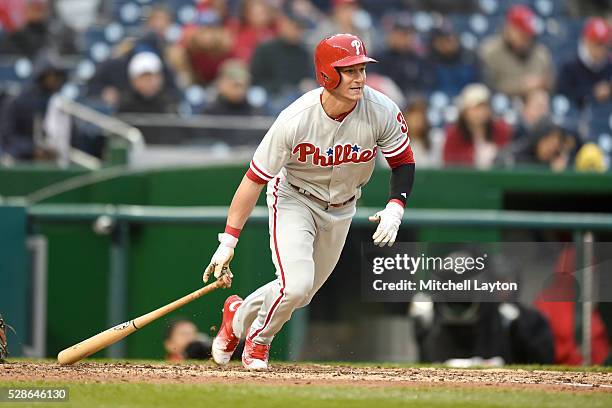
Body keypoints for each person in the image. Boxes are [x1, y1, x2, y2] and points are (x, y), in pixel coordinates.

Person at [202, 34, 415, 370]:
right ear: (327, 74)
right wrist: (228, 240)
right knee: (296, 286)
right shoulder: (295, 118)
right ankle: (258, 342)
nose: (359, 78)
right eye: (349, 70)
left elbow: (403, 161)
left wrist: (395, 205)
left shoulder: (382, 109)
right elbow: (254, 179)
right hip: (295, 199)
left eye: (361, 68)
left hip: (343, 207)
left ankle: (236, 317)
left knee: (300, 293)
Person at [0, 51, 68, 161]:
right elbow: (8, 137)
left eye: (57, 75)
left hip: (55, 159)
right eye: (51, 75)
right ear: (42, 75)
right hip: (21, 161)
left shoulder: (59, 103)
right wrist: (33, 150)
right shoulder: (16, 102)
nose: (55, 79)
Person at [479, 5, 554, 97]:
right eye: (522, 34)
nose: (526, 39)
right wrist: (522, 86)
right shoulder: (490, 51)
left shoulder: (541, 53)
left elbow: (552, 83)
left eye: (528, 34)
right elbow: (489, 88)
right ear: (509, 29)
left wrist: (543, 83)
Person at [443, 83, 512, 169]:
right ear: (465, 112)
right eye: (476, 108)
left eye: (484, 107)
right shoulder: (454, 136)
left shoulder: (501, 131)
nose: (480, 112)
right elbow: (450, 167)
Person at [250, 10, 314, 98]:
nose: (297, 32)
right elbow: (256, 78)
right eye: (294, 27)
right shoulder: (266, 49)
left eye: (300, 28)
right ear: (284, 26)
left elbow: (308, 77)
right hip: (270, 94)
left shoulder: (304, 53)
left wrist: (307, 84)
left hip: (296, 95)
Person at [370, 13, 434, 100]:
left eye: (408, 34)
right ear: (392, 34)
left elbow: (426, 84)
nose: (405, 38)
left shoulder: (418, 59)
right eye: (401, 34)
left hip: (414, 105)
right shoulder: (379, 57)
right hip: (388, 103)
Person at [557, 18, 612, 109]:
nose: (602, 49)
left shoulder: (609, 65)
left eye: (605, 44)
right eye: (598, 44)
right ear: (587, 41)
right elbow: (563, 97)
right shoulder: (569, 65)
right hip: (578, 117)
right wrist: (592, 93)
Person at [0, 0, 76, 57]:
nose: (38, 12)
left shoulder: (58, 36)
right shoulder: (14, 37)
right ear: (26, 9)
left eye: (41, 8)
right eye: (35, 7)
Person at [428, 20, 480, 97]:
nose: (449, 45)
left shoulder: (468, 60)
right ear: (436, 42)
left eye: (452, 39)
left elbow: (474, 86)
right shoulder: (428, 62)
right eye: (445, 40)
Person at [403, 99, 442, 168]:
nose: (417, 119)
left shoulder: (435, 140)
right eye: (414, 115)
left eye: (421, 115)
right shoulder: (396, 142)